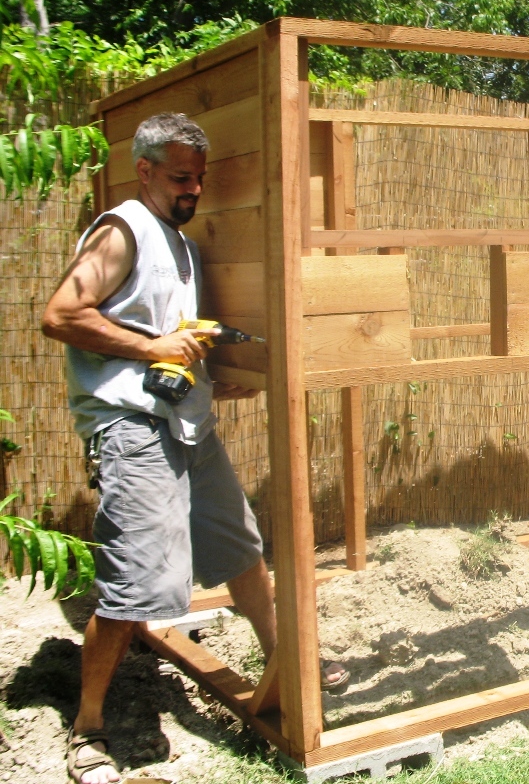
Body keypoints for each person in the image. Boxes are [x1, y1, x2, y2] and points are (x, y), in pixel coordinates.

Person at [42, 113, 347, 784]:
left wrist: (208, 377)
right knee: (135, 586)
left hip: (186, 424)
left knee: (240, 546)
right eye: (181, 176)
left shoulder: (177, 243)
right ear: (144, 169)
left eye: (199, 177)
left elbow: (170, 335)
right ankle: (88, 725)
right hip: (133, 431)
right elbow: (60, 313)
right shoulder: (120, 230)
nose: (193, 188)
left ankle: (288, 666)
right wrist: (153, 348)